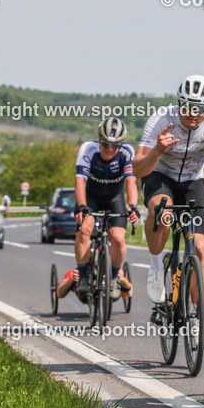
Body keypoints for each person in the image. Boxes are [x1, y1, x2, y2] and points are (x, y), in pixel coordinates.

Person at [133, 74, 204, 349]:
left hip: (193, 181)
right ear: (179, 103)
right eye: (188, 107)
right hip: (160, 176)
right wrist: (157, 149)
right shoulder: (159, 118)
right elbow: (137, 169)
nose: (193, 114)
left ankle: (199, 319)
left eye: (200, 108)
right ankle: (156, 267)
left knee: (200, 248)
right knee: (162, 212)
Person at [74, 117, 139, 299]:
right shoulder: (88, 149)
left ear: (121, 144)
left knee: (118, 239)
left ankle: (113, 277)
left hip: (114, 197)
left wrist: (132, 206)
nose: (110, 149)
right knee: (85, 230)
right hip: (90, 197)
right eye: (105, 144)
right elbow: (80, 181)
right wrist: (81, 206)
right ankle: (84, 277)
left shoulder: (127, 152)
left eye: (115, 145)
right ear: (99, 141)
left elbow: (130, 181)